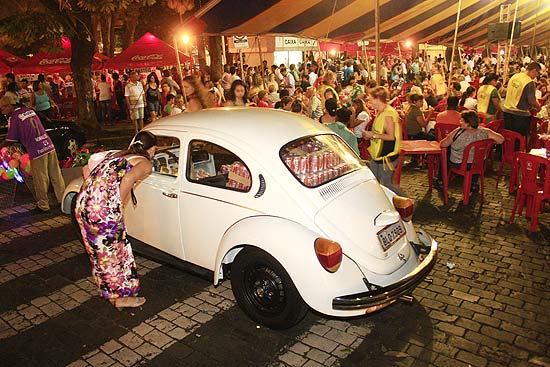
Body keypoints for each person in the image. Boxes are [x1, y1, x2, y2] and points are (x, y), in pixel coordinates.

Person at [75, 131, 157, 310]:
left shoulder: (117, 155)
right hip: (103, 210)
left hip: (84, 203)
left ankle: (107, 289)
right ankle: (120, 297)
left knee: (99, 252)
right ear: (153, 149)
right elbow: (128, 178)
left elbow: (86, 169)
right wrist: (117, 204)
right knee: (114, 252)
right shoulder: (145, 163)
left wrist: (94, 194)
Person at [0, 95, 65, 213]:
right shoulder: (29, 110)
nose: (2, 112)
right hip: (48, 144)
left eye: (2, 109)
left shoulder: (14, 117)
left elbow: (11, 139)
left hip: (36, 149)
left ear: (9, 106)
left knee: (40, 178)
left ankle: (43, 205)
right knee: (56, 175)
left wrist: (2, 145)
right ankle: (63, 200)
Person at [437, 111, 504, 192]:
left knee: (446, 152)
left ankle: (441, 180)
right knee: (474, 157)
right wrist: (490, 142)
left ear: (467, 123)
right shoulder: (485, 131)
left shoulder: (458, 132)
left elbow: (443, 144)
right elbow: (501, 140)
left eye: (461, 120)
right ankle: (473, 182)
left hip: (459, 164)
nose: (459, 122)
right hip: (478, 164)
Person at [362, 86, 404, 195]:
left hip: (386, 156)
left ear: (378, 99)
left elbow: (390, 137)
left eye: (370, 98)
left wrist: (373, 135)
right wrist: (371, 135)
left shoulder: (388, 114)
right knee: (376, 182)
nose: (369, 100)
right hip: (379, 154)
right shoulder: (382, 111)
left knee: (386, 184)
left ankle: (406, 202)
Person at [502, 62, 541, 140]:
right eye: (537, 73)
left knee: (508, 136)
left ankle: (507, 151)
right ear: (534, 70)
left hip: (507, 110)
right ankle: (517, 152)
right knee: (518, 138)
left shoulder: (515, 76)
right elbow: (531, 101)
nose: (537, 76)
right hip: (520, 114)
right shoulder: (529, 82)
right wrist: (538, 107)